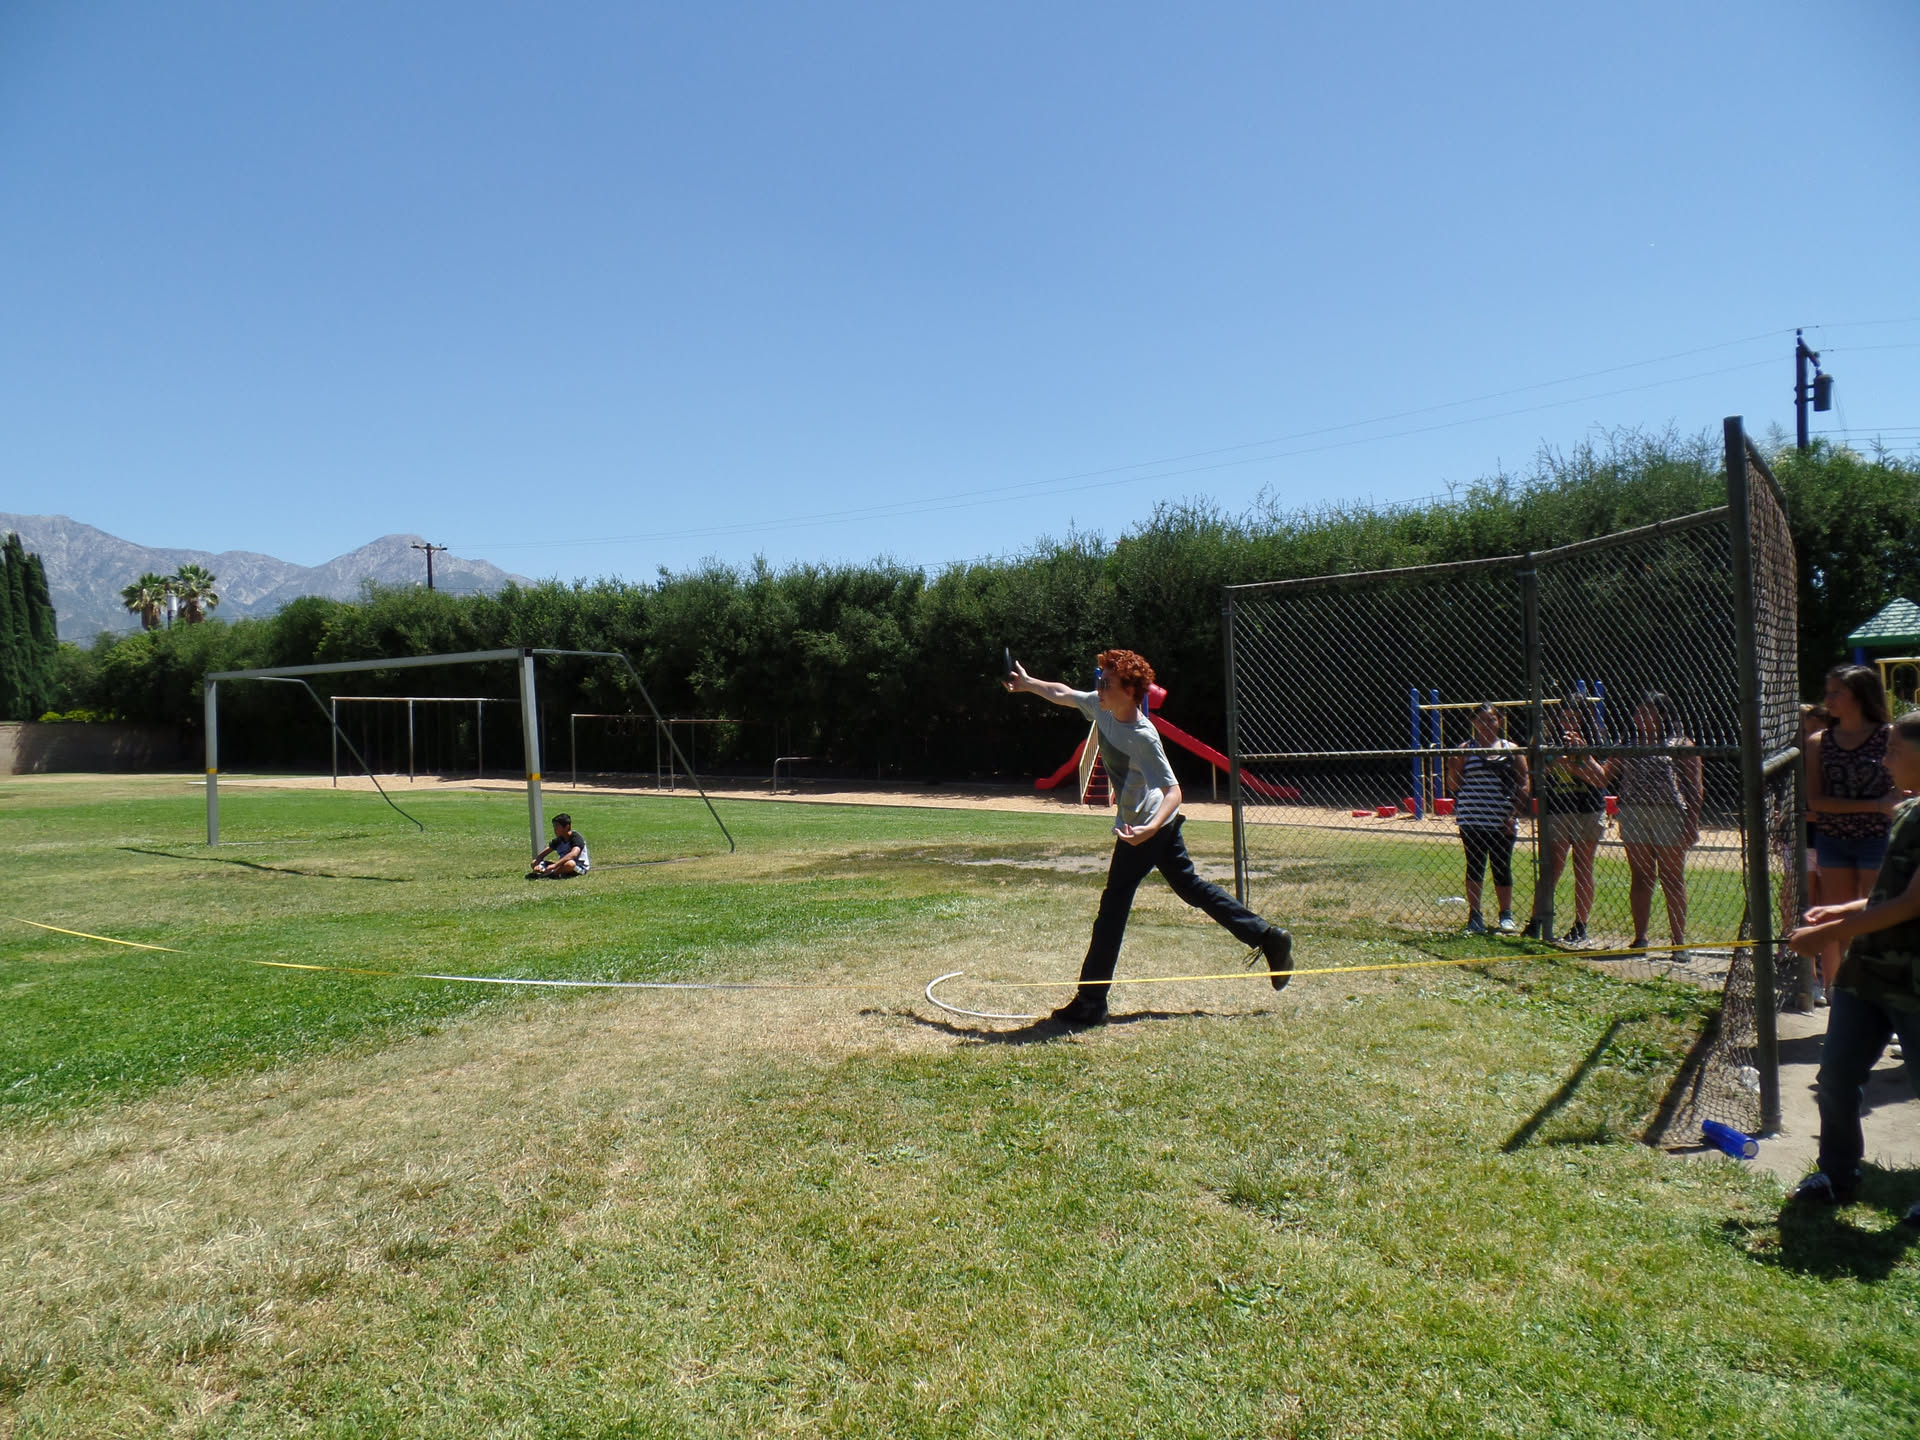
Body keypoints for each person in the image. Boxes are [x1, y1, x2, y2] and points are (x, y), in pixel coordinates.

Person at [1004, 648, 1294, 1027]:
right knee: (1191, 888)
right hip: (1148, 826)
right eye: (1099, 680)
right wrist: (1028, 684)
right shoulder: (1102, 708)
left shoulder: (1143, 736)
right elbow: (1063, 693)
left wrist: (1149, 829)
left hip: (1149, 826)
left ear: (1130, 691)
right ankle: (1268, 937)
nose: (1098, 688)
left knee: (1113, 909)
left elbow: (1174, 790)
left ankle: (1091, 1001)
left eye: (1106, 683)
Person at [1785, 708, 1920, 1224]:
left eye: (1895, 750)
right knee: (1837, 1077)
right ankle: (1836, 1175)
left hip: (1913, 982)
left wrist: (1826, 936)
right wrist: (1842, 910)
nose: (1884, 761)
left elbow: (1913, 904)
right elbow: (1892, 891)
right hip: (1867, 973)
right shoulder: (1908, 810)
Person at [1807, 666, 1897, 1001]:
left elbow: (1902, 793)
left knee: (1878, 915)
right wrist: (1876, 805)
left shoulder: (1890, 736)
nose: (1827, 700)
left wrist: (1883, 807)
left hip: (1880, 839)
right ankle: (1841, 993)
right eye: (1827, 692)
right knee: (1838, 916)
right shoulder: (1819, 742)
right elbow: (1816, 802)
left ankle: (1882, 992)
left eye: (1836, 692)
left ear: (1860, 696)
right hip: (1833, 839)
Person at [1607, 692, 1702, 956]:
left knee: (1672, 877)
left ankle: (1679, 942)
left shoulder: (1681, 743)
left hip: (1669, 813)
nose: (1638, 717)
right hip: (1633, 812)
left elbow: (1695, 787)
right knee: (1641, 876)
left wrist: (1692, 822)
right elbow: (1604, 775)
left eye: (1646, 712)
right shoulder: (1628, 743)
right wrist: (1581, 758)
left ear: (1662, 715)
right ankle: (1640, 938)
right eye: (1637, 711)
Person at [1522, 696, 1607, 943]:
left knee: (1583, 866)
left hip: (1588, 808)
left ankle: (1580, 925)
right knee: (1552, 866)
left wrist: (1582, 756)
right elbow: (1536, 776)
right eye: (1565, 717)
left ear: (1584, 719)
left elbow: (1600, 779)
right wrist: (1553, 761)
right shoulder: (1547, 739)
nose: (1568, 723)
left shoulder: (1595, 739)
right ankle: (1537, 921)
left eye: (1574, 718)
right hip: (1557, 808)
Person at [1445, 703, 1528, 936]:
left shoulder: (1511, 749)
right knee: (1475, 866)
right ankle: (1475, 915)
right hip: (1472, 817)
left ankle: (1506, 915)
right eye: (1481, 720)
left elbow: (1524, 783)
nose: (1486, 724)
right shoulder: (1465, 750)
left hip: (1503, 819)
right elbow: (1454, 786)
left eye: (1491, 719)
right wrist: (1453, 768)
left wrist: (1513, 814)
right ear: (1473, 722)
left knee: (1502, 866)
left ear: (1499, 721)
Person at [529, 813, 590, 878]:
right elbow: (542, 854)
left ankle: (549, 874)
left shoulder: (575, 837)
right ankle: (551, 873)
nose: (555, 829)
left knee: (570, 864)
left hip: (578, 867)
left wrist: (555, 865)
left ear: (567, 827)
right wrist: (537, 865)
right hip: (561, 865)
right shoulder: (559, 840)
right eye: (554, 826)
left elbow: (573, 854)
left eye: (557, 826)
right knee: (534, 862)